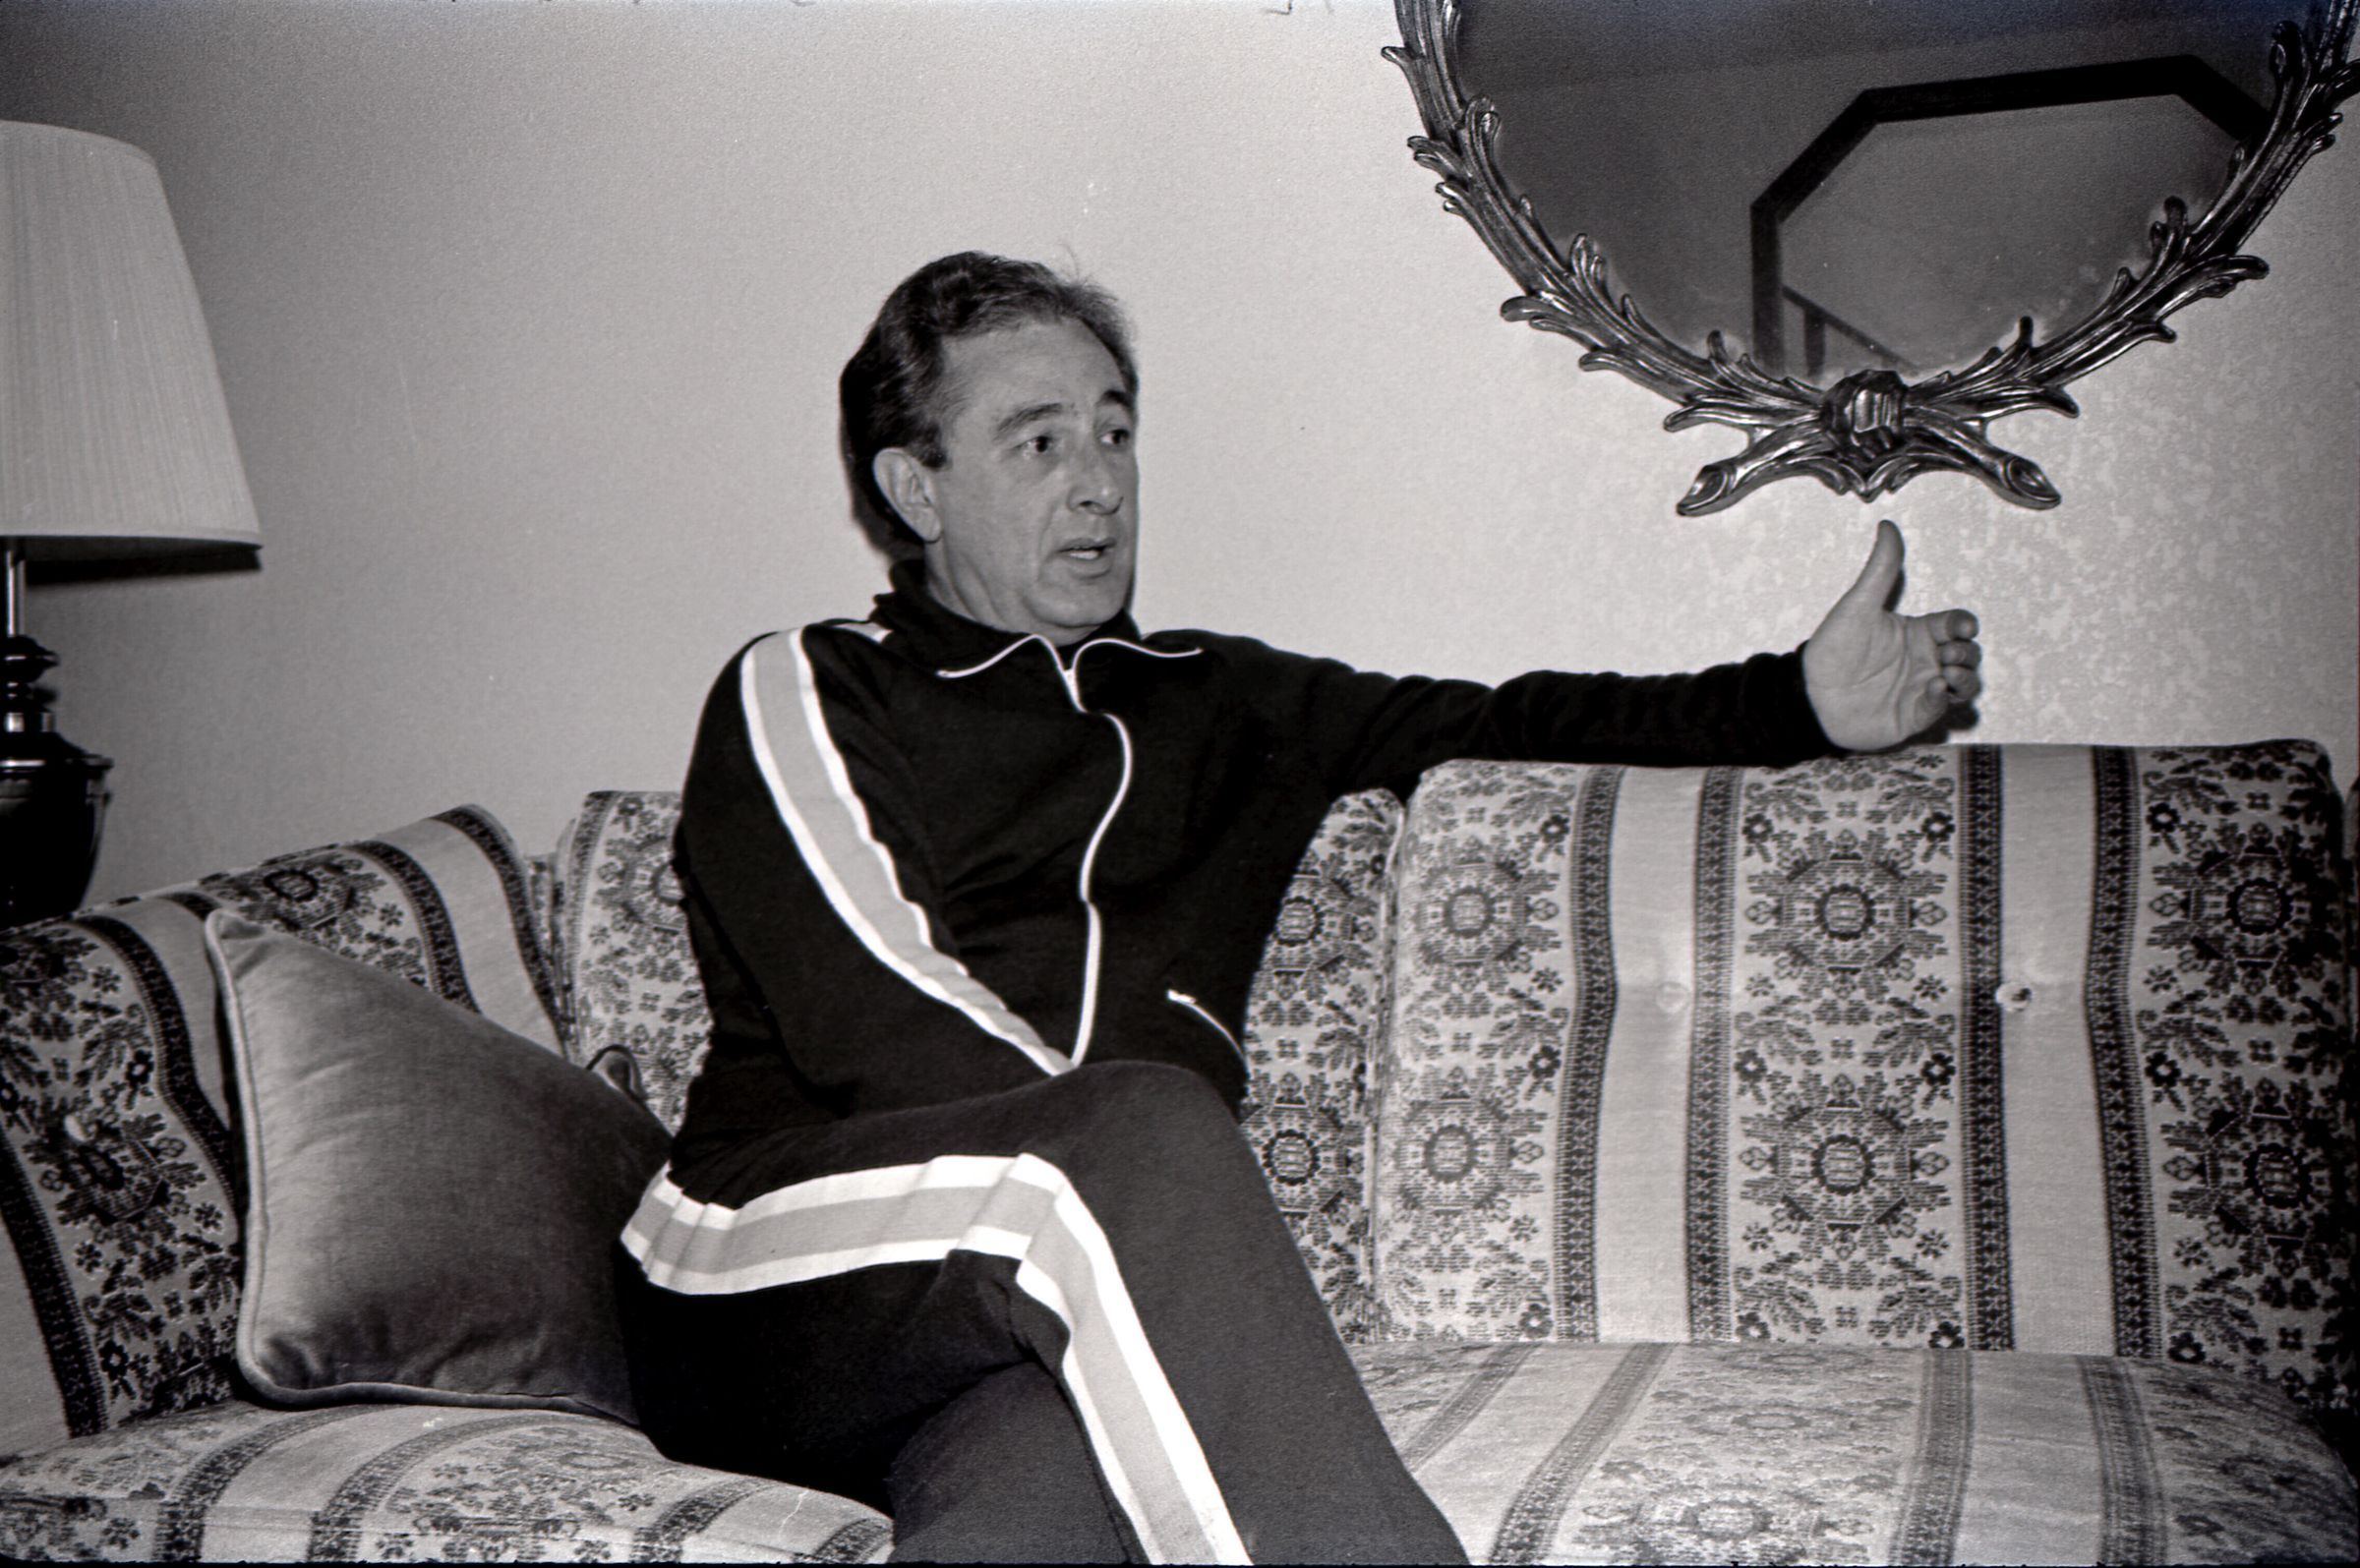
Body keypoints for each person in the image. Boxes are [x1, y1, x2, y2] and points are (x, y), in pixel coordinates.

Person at [616, 252, 1982, 1564]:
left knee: (1031, 1502)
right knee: (1145, 1127)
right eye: (1038, 443)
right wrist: (1141, 1197)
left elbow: (1505, 723)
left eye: (1114, 433)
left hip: (1019, 1310)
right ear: (915, 486)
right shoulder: (811, 683)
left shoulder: (1221, 701)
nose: (1099, 483)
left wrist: (1795, 702)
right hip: (762, 1274)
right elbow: (877, 1015)